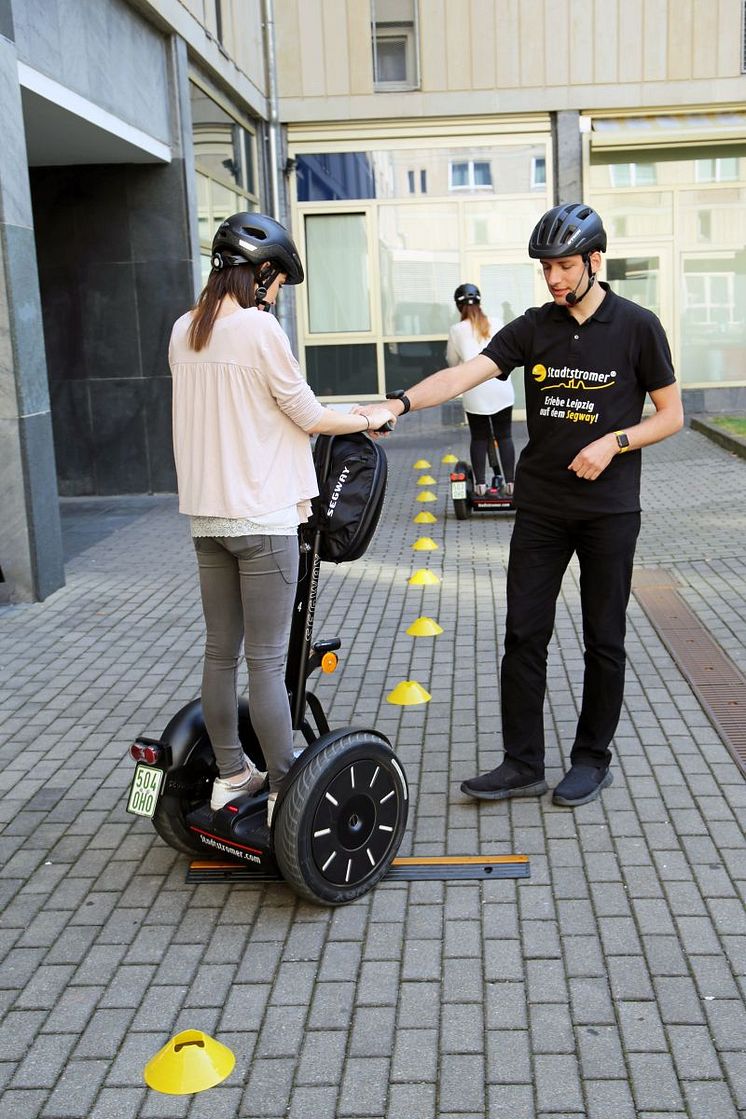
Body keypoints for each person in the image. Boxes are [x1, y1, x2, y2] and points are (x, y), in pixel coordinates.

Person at [362, 202, 683, 808]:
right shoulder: (535, 327)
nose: (554, 279)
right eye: (546, 268)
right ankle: (522, 762)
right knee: (522, 634)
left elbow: (672, 416)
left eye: (564, 266)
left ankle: (591, 759)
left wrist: (614, 442)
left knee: (603, 637)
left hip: (609, 510)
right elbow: (464, 376)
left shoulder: (638, 326)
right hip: (540, 506)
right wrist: (396, 405)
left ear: (594, 260)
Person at [169, 213, 395, 823]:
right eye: (278, 283)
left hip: (207, 520)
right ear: (262, 273)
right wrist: (369, 417)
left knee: (221, 654)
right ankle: (284, 793)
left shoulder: (183, 330)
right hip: (263, 519)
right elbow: (306, 413)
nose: (277, 296)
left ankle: (229, 775)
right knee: (268, 664)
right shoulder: (258, 330)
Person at [446, 283, 515, 496]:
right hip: (502, 387)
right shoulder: (497, 322)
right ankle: (511, 485)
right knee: (504, 436)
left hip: (475, 389)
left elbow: (451, 361)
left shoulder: (456, 330)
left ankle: (480, 486)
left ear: (459, 306)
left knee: (479, 437)